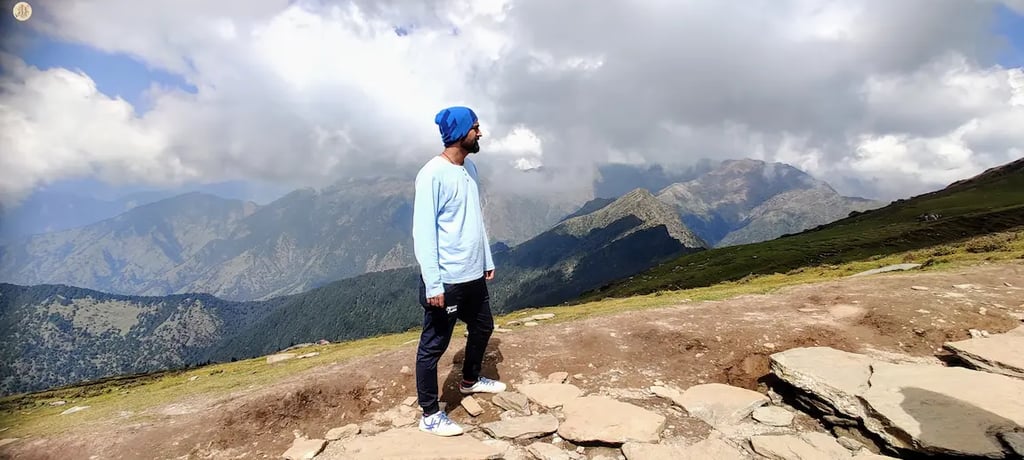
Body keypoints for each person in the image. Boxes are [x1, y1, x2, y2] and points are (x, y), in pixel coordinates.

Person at [412, 106, 507, 437]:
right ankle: (429, 414)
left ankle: (469, 379)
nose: (480, 133)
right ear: (459, 133)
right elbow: (424, 233)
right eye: (475, 127)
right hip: (448, 280)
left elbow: (474, 218)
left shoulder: (470, 168)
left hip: (472, 274)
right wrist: (433, 284)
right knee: (433, 346)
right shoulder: (432, 175)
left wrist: (486, 259)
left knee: (483, 326)